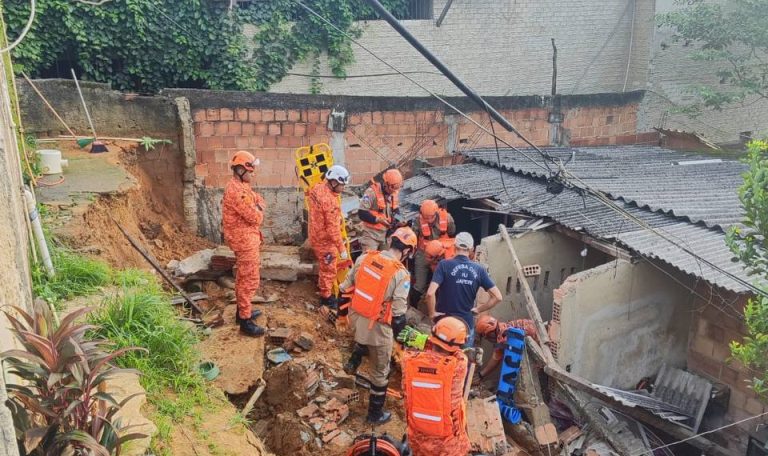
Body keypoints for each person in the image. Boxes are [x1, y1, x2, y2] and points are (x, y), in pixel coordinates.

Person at [339, 227, 417, 424]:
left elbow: (344, 290)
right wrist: (401, 343)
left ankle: (355, 359)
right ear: (407, 251)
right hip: (377, 330)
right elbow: (398, 316)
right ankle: (375, 414)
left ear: (390, 241)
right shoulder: (401, 275)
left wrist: (341, 316)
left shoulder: (364, 258)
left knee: (364, 337)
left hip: (355, 321)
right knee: (381, 372)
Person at [401, 316, 471, 456]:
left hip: (417, 436)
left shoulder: (408, 361)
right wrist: (429, 341)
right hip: (447, 443)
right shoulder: (458, 365)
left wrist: (424, 340)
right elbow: (459, 354)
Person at [425, 232, 503, 347]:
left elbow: (430, 293)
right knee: (463, 357)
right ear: (471, 249)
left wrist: (432, 314)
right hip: (465, 327)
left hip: (444, 324)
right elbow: (498, 297)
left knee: (440, 356)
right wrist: (478, 309)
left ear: (454, 246)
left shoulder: (443, 265)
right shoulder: (479, 270)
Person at [222, 150, 266, 337]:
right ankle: (245, 322)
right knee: (249, 279)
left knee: (243, 277)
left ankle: (242, 312)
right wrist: (259, 208)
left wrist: (257, 204)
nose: (253, 174)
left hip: (246, 237)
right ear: (240, 170)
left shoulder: (241, 186)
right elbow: (255, 217)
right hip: (244, 240)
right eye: (250, 171)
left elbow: (257, 199)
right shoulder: (238, 191)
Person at [308, 165, 351, 308]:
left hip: (315, 234)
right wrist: (342, 249)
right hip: (325, 241)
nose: (343, 188)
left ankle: (325, 292)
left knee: (324, 265)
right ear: (333, 182)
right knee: (329, 268)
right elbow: (333, 230)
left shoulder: (317, 188)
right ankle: (326, 297)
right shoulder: (330, 202)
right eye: (342, 185)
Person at [409, 200, 456, 308]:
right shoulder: (417, 220)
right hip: (424, 254)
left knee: (444, 282)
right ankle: (413, 307)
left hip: (442, 253)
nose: (429, 220)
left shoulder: (447, 218)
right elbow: (413, 237)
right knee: (419, 285)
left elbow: (452, 232)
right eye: (426, 218)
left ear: (436, 212)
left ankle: (441, 306)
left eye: (431, 217)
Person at [474, 314, 538, 381]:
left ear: (490, 332)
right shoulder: (503, 326)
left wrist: (481, 375)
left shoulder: (502, 338)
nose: (487, 339)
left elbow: (495, 359)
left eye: (487, 336)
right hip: (536, 328)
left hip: (537, 345)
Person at [358, 169, 403, 252]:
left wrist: (401, 220)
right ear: (386, 183)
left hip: (386, 236)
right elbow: (361, 213)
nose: (394, 191)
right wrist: (378, 220)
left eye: (397, 188)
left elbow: (395, 211)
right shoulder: (371, 192)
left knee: (386, 259)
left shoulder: (394, 193)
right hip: (371, 235)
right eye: (393, 187)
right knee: (370, 259)